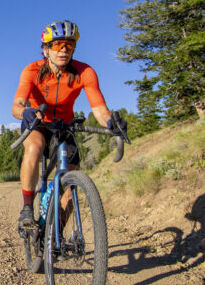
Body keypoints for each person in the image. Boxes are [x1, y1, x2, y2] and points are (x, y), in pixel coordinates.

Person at [12, 20, 127, 227]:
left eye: (69, 45)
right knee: (35, 147)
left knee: (72, 184)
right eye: (57, 45)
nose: (64, 50)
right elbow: (17, 105)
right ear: (46, 49)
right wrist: (26, 112)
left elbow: (100, 110)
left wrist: (111, 122)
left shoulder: (85, 72)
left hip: (65, 127)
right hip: (38, 122)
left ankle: (57, 234)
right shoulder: (32, 71)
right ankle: (27, 208)